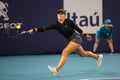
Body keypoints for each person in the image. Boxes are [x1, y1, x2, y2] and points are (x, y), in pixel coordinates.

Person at [28, 9, 103, 76]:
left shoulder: (69, 22)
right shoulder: (55, 25)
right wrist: (34, 30)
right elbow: (45, 28)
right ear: (57, 15)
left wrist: (85, 35)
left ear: (64, 15)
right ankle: (98, 57)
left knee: (64, 52)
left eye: (62, 14)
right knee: (83, 54)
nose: (60, 15)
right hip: (71, 40)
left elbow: (77, 29)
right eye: (59, 14)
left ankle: (56, 69)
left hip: (76, 38)